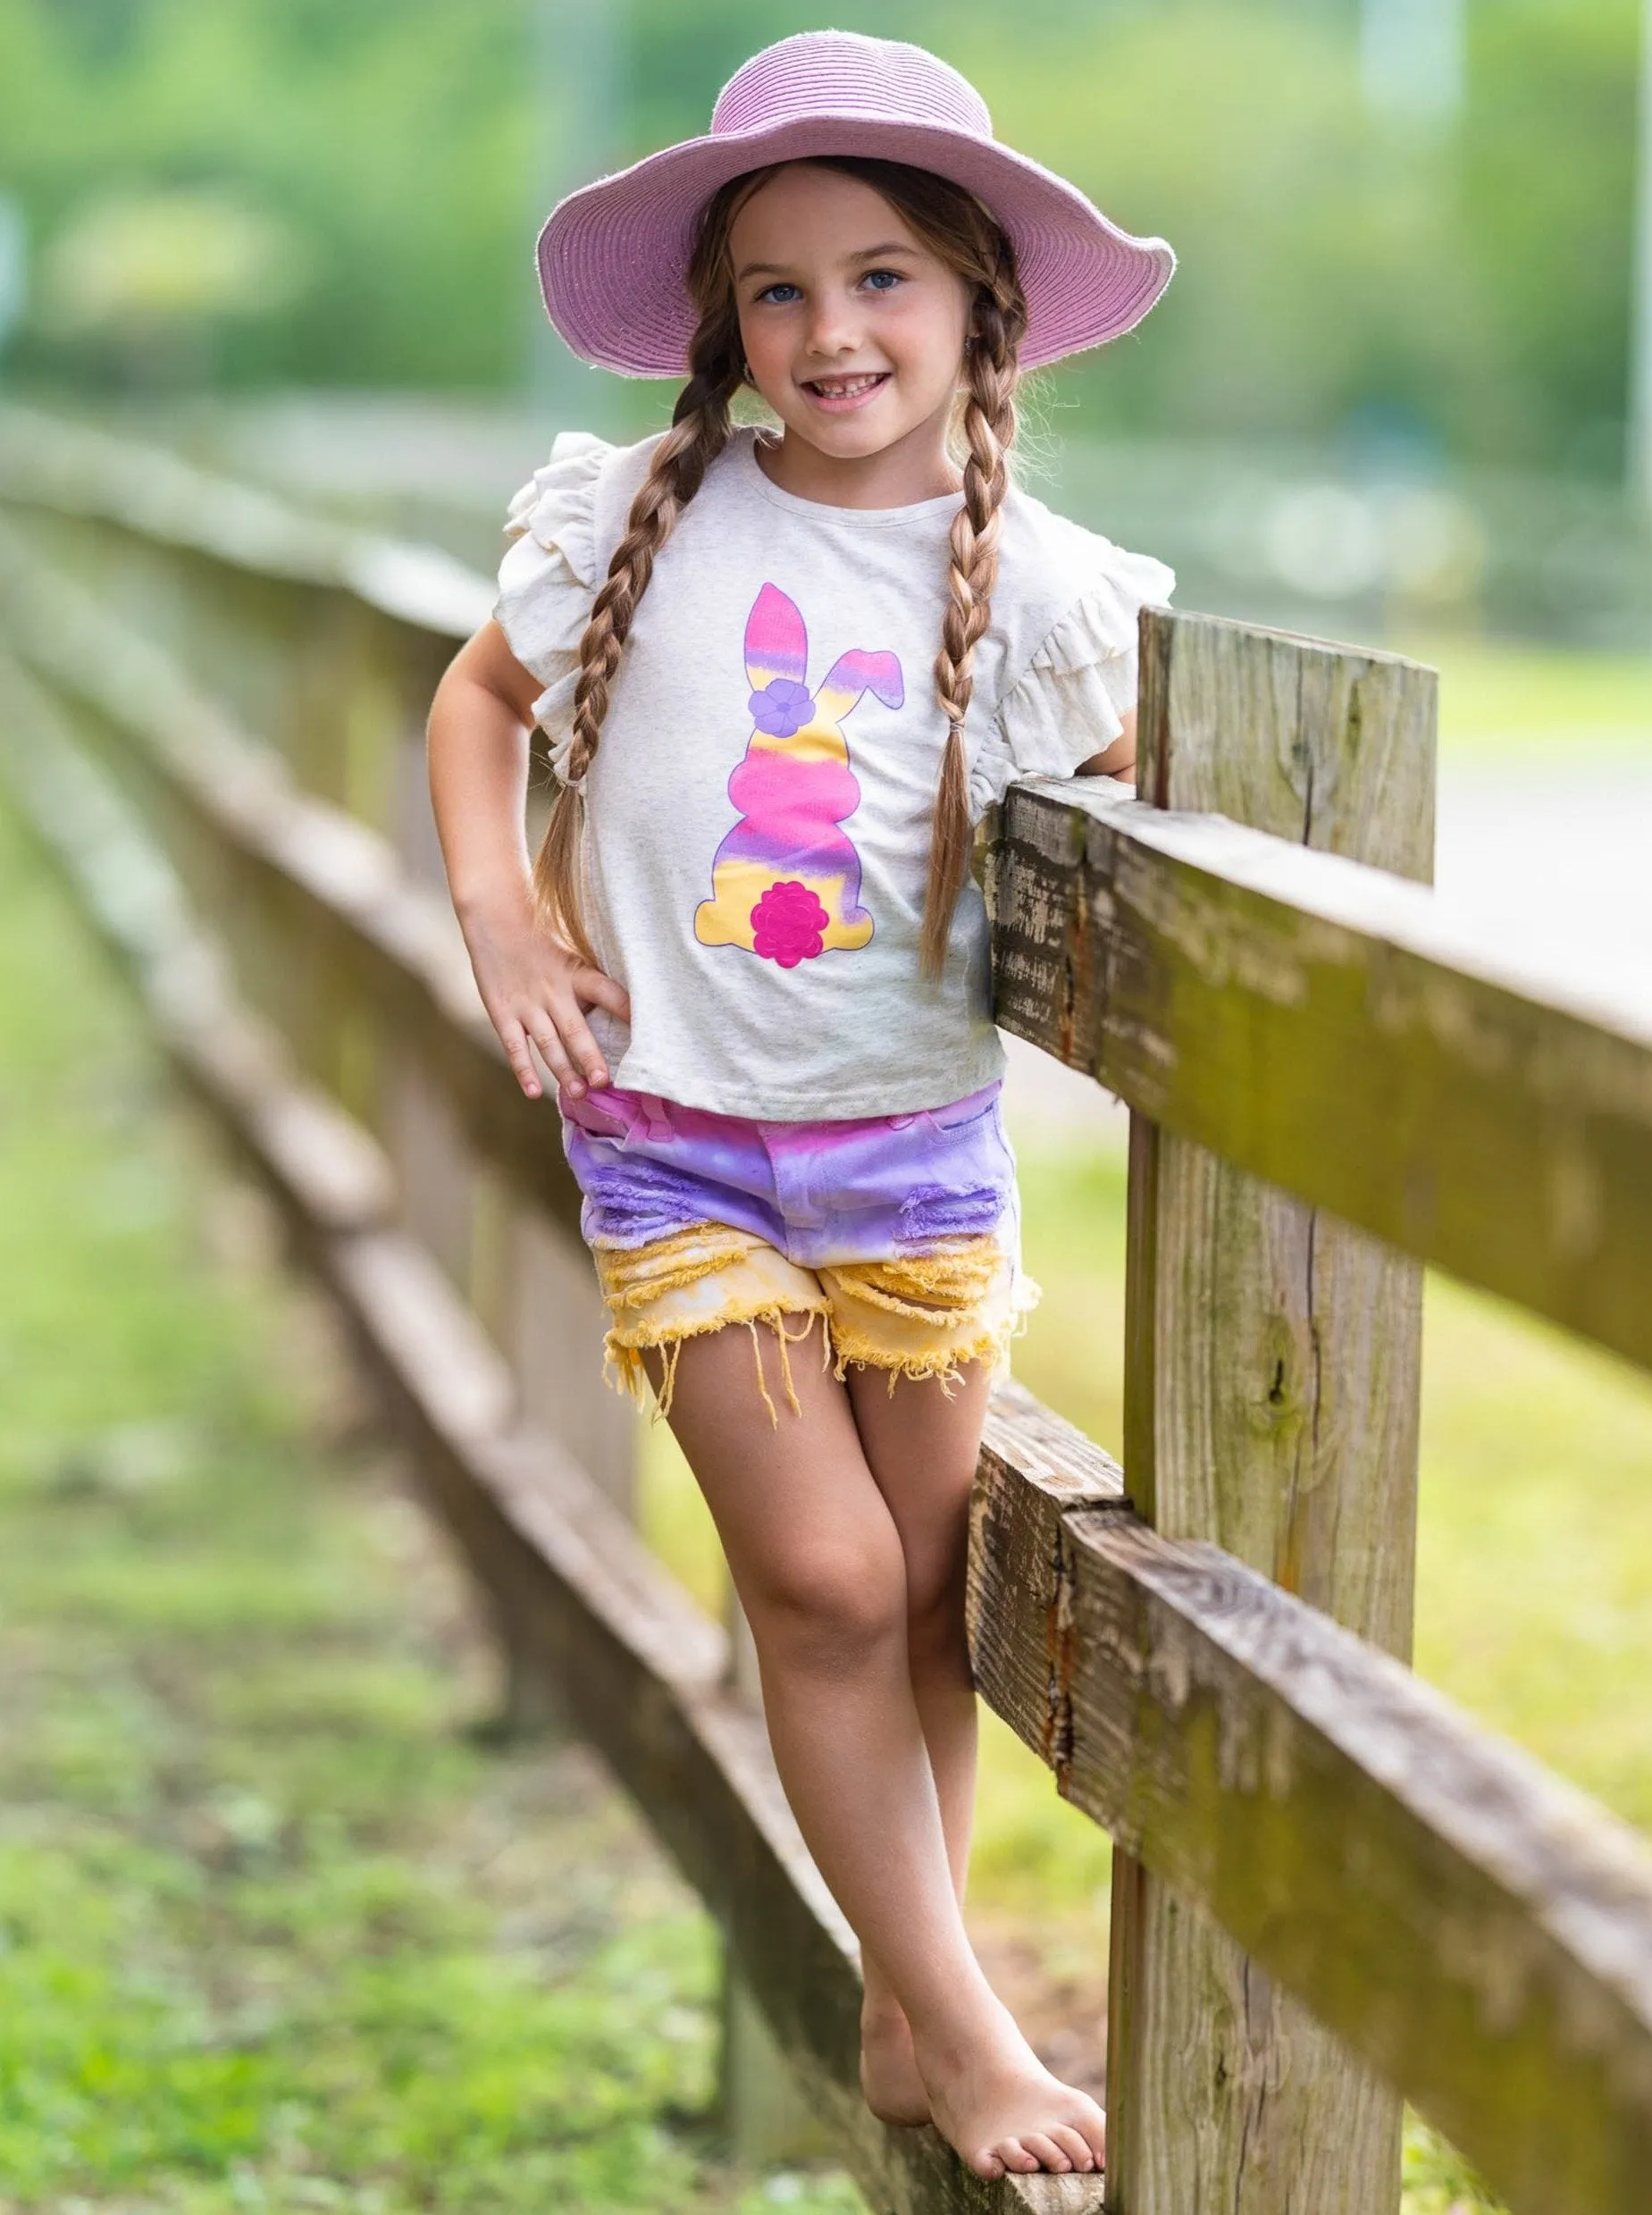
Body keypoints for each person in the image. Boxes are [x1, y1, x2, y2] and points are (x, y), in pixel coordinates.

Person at [426, 29, 1174, 2182]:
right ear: (723, 324)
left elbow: (1152, 808)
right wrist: (500, 913)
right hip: (677, 1143)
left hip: (913, 1163)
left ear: (978, 307)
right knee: (830, 1584)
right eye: (778, 290)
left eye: (881, 280)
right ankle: (969, 2025)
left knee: (921, 1613)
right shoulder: (639, 528)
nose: (829, 330)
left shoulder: (1047, 586)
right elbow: (479, 704)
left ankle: (911, 2018)